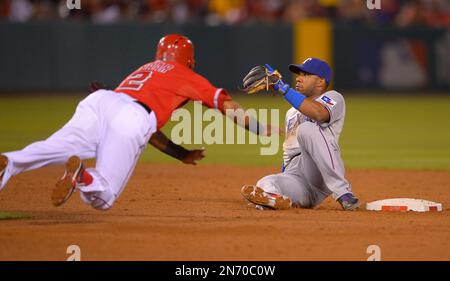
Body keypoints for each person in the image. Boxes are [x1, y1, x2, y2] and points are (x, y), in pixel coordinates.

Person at [0, 34, 274, 211]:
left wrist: (179, 153)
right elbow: (226, 106)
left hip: (101, 102)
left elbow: (146, 129)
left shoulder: (145, 68)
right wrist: (262, 129)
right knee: (102, 197)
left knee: (57, 145)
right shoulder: (185, 75)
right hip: (133, 115)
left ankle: (10, 162)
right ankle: (81, 175)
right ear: (189, 60)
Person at [240, 58, 360, 211]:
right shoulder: (291, 113)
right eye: (298, 74)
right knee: (266, 182)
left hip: (320, 170)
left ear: (321, 81)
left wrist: (282, 88)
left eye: (305, 74)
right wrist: (284, 179)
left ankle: (343, 193)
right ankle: (273, 200)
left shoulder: (334, 98)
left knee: (306, 129)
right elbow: (288, 152)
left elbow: (318, 113)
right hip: (298, 180)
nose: (298, 78)